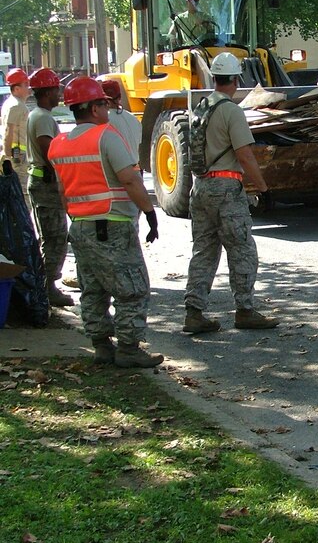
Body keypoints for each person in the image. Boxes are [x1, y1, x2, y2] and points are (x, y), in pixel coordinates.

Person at [48, 76, 163, 368]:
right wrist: (149, 213)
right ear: (95, 107)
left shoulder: (59, 145)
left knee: (93, 289)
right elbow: (130, 179)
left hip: (82, 227)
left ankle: (101, 346)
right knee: (133, 288)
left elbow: (63, 192)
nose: (108, 109)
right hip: (112, 226)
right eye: (104, 103)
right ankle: (128, 348)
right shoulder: (105, 136)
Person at [183, 51, 279, 334]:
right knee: (242, 250)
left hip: (200, 187)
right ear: (236, 79)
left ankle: (194, 312)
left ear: (214, 78)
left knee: (203, 251)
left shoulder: (201, 107)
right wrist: (263, 187)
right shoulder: (231, 111)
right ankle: (245, 310)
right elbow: (245, 155)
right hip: (226, 189)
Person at [26, 68, 73, 308]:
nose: (59, 94)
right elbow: (49, 152)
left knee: (53, 236)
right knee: (55, 237)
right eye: (56, 89)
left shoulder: (38, 115)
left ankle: (47, 285)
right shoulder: (43, 118)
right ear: (47, 92)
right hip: (46, 185)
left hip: (42, 182)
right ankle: (47, 286)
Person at [1, 68, 30, 201]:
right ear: (16, 88)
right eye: (25, 84)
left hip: (15, 155)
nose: (28, 87)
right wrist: (7, 157)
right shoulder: (17, 106)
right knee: (22, 193)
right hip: (17, 156)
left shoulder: (10, 103)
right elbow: (9, 130)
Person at [99, 79, 142, 167]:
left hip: (119, 171)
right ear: (120, 97)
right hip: (136, 169)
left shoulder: (103, 120)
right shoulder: (133, 118)